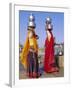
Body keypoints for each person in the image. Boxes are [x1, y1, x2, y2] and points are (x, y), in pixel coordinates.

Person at [20, 14, 40, 78]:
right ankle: (32, 73)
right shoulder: (30, 32)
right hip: (31, 49)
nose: (33, 28)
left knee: (34, 61)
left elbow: (37, 37)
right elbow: (30, 36)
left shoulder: (33, 33)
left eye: (32, 28)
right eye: (32, 27)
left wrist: (35, 35)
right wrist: (32, 31)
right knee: (32, 61)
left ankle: (34, 73)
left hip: (33, 49)